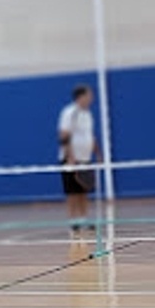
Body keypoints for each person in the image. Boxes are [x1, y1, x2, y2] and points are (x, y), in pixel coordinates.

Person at [57, 85, 100, 232]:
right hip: (71, 159)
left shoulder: (87, 114)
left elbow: (89, 135)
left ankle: (83, 219)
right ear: (81, 97)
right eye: (89, 95)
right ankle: (73, 221)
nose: (91, 98)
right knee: (72, 191)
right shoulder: (70, 112)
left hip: (85, 158)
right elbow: (63, 135)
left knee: (83, 190)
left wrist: (97, 152)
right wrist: (70, 156)